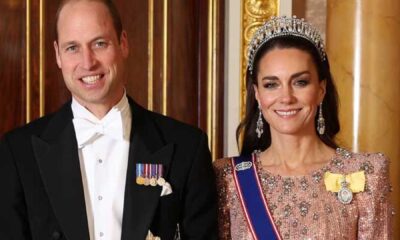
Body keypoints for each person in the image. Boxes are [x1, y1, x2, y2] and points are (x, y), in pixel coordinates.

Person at [0, 0, 217, 239]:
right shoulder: (17, 152)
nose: (88, 62)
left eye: (99, 44)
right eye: (72, 48)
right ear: (58, 55)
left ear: (123, 43)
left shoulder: (188, 146)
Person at [214, 16, 393, 239]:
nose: (286, 97)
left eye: (300, 82)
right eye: (271, 85)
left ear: (321, 89)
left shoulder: (367, 173)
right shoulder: (228, 178)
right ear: (258, 94)